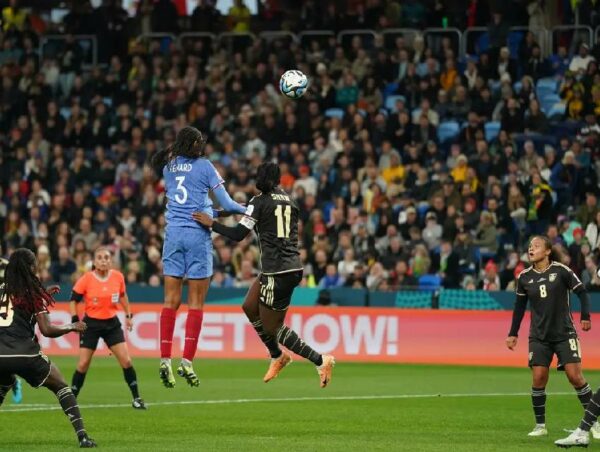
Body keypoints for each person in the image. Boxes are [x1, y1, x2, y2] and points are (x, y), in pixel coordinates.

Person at [193, 162, 335, 387]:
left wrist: (213, 224)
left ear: (262, 178)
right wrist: (221, 212)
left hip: (276, 272)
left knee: (273, 327)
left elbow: (239, 234)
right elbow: (255, 213)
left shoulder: (259, 202)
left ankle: (320, 360)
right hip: (289, 267)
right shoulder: (291, 201)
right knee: (249, 306)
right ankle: (277, 355)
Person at [150, 126, 245, 388]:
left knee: (170, 301)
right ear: (192, 144)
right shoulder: (204, 166)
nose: (202, 145)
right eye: (199, 142)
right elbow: (226, 204)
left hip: (173, 236)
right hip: (197, 236)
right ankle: (187, 361)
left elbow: (195, 202)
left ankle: (164, 359)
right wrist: (249, 208)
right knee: (196, 303)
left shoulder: (168, 167)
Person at [0, 248, 95, 448]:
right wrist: (72, 326)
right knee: (60, 385)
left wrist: (42, 293)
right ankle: (83, 437)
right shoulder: (32, 291)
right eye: (34, 263)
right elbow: (47, 329)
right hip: (24, 353)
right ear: (30, 267)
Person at [506, 236, 598, 438]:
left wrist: (585, 316)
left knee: (576, 377)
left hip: (564, 334)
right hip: (539, 336)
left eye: (536, 246)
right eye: (529, 246)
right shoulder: (524, 277)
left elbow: (582, 292)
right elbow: (519, 308)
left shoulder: (561, 271)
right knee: (538, 378)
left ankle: (594, 424)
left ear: (547, 251)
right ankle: (540, 426)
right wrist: (513, 333)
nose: (531, 249)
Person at [69, 247, 145, 409]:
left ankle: (137, 399)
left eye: (106, 257)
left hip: (111, 324)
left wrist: (128, 315)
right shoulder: (87, 278)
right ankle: (70, 401)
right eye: (100, 257)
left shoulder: (118, 277)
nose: (103, 260)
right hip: (91, 325)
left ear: (111, 261)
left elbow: (123, 296)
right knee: (82, 364)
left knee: (126, 361)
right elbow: (73, 299)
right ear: (95, 262)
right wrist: (75, 319)